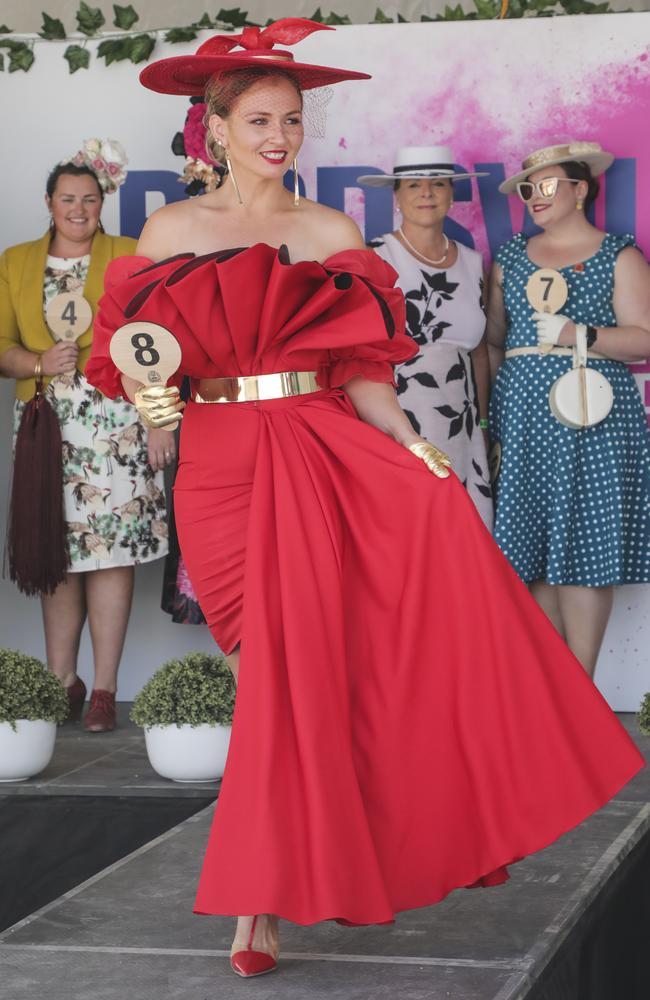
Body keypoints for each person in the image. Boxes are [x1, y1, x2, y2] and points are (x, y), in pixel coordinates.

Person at [86, 25, 643, 978]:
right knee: (270, 666)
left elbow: (360, 368)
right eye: (259, 119)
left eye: (293, 120)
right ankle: (317, 867)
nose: (280, 136)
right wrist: (152, 401)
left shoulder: (332, 233)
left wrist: (409, 442)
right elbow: (134, 357)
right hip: (219, 464)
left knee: (289, 682)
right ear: (213, 129)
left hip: (322, 448)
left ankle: (257, 905)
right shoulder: (170, 233)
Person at [0, 143, 172, 732]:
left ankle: (103, 689)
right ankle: (59, 684)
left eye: (89, 200)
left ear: (104, 203)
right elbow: (1, 349)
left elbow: (155, 341)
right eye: (68, 199)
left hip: (118, 426)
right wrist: (38, 361)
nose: (78, 209)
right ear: (49, 203)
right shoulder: (15, 261)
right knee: (58, 554)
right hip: (48, 425)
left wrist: (156, 417)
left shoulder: (130, 255)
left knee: (111, 555)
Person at [487, 141, 650, 677]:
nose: (536, 195)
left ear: (581, 190)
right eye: (529, 188)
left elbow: (644, 340)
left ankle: (582, 693)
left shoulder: (619, 255)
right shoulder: (509, 257)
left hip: (593, 422)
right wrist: (492, 417)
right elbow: (493, 341)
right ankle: (555, 697)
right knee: (530, 546)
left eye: (549, 185)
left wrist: (579, 333)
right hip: (524, 419)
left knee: (582, 547)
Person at [359, 146, 492, 527]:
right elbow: (362, 353)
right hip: (399, 415)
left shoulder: (472, 261)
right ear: (397, 197)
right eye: (414, 184)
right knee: (410, 525)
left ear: (452, 193)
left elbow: (479, 353)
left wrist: (482, 425)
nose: (427, 193)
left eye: (438, 183)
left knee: (462, 529)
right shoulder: (375, 258)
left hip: (461, 419)